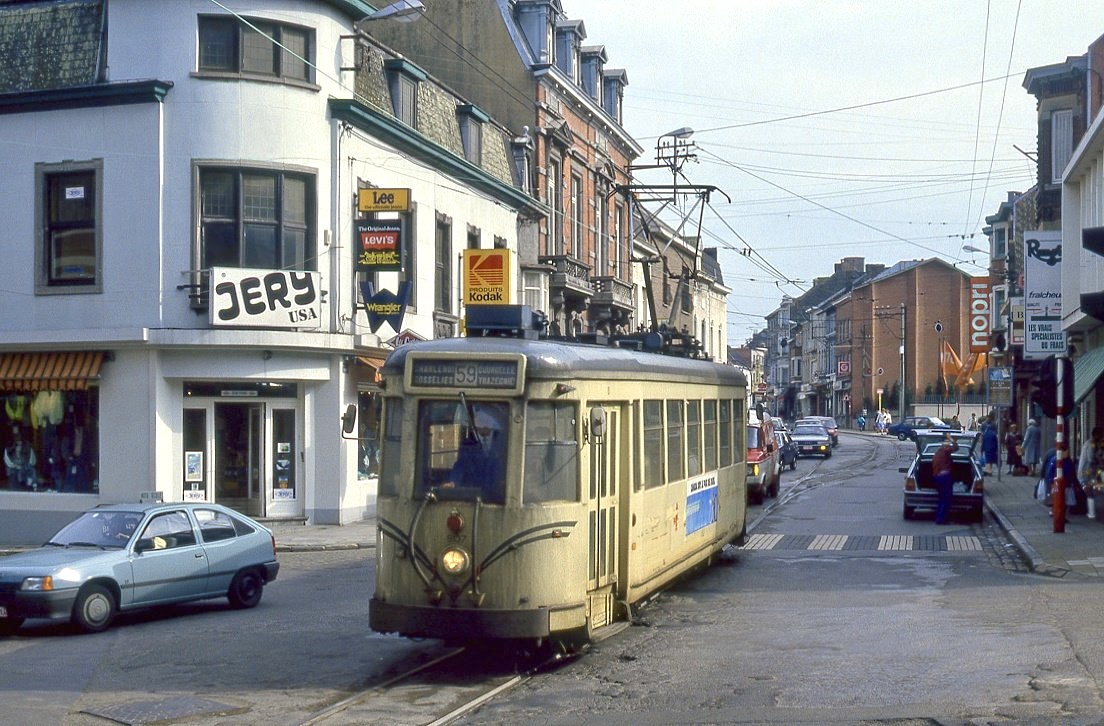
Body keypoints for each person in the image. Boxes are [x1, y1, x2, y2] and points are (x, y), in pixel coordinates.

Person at [448, 406, 507, 501]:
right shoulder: (468, 444)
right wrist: (453, 482)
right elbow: (460, 464)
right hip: (475, 495)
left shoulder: (503, 441)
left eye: (486, 423)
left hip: (499, 494)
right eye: (479, 424)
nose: (482, 426)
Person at [932, 433, 956, 525]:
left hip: (936, 477)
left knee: (941, 498)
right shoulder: (945, 451)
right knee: (946, 499)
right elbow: (956, 447)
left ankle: (938, 517)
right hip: (945, 477)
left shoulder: (937, 453)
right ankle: (941, 519)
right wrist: (951, 439)